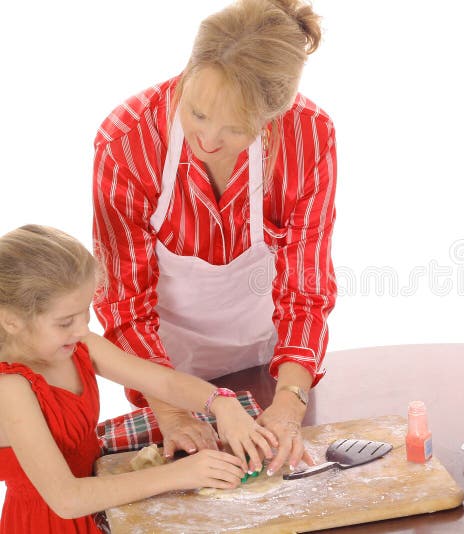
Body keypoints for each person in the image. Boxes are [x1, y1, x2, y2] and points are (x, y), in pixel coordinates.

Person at [92, 0, 336, 475]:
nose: (207, 140)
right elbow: (123, 301)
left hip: (268, 358)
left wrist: (289, 400)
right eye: (197, 113)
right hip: (161, 361)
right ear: (188, 70)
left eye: (236, 128)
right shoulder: (128, 141)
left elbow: (304, 290)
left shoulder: (309, 137)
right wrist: (171, 408)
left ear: (275, 114)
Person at [0, 225, 278, 533]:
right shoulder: (10, 389)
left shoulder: (79, 346)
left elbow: (163, 383)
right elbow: (67, 499)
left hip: (103, 499)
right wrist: (184, 474)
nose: (81, 329)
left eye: (86, 314)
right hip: (51, 523)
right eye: (66, 321)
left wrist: (222, 403)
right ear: (11, 321)